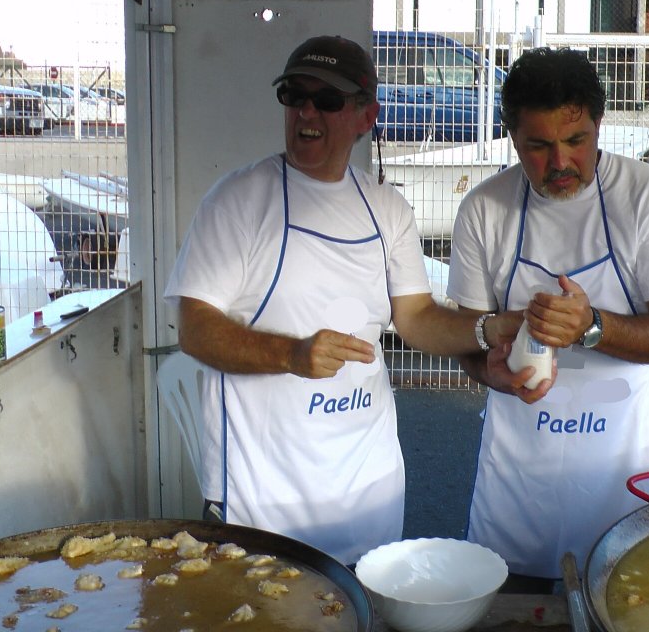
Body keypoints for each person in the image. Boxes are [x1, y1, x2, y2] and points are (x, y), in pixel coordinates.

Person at [163, 35, 491, 566]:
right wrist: (293, 355)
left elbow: (416, 320)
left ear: (366, 117)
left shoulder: (386, 208)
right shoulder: (238, 201)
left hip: (368, 482)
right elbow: (195, 328)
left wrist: (489, 330)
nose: (307, 112)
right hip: (267, 494)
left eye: (328, 100)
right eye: (295, 97)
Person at [446, 46, 649, 582]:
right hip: (520, 466)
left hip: (625, 457)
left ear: (599, 125)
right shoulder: (484, 209)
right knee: (510, 605)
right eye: (539, 146)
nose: (561, 162)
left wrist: (592, 326)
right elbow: (466, 340)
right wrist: (487, 370)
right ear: (513, 139)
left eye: (576, 141)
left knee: (625, 591)